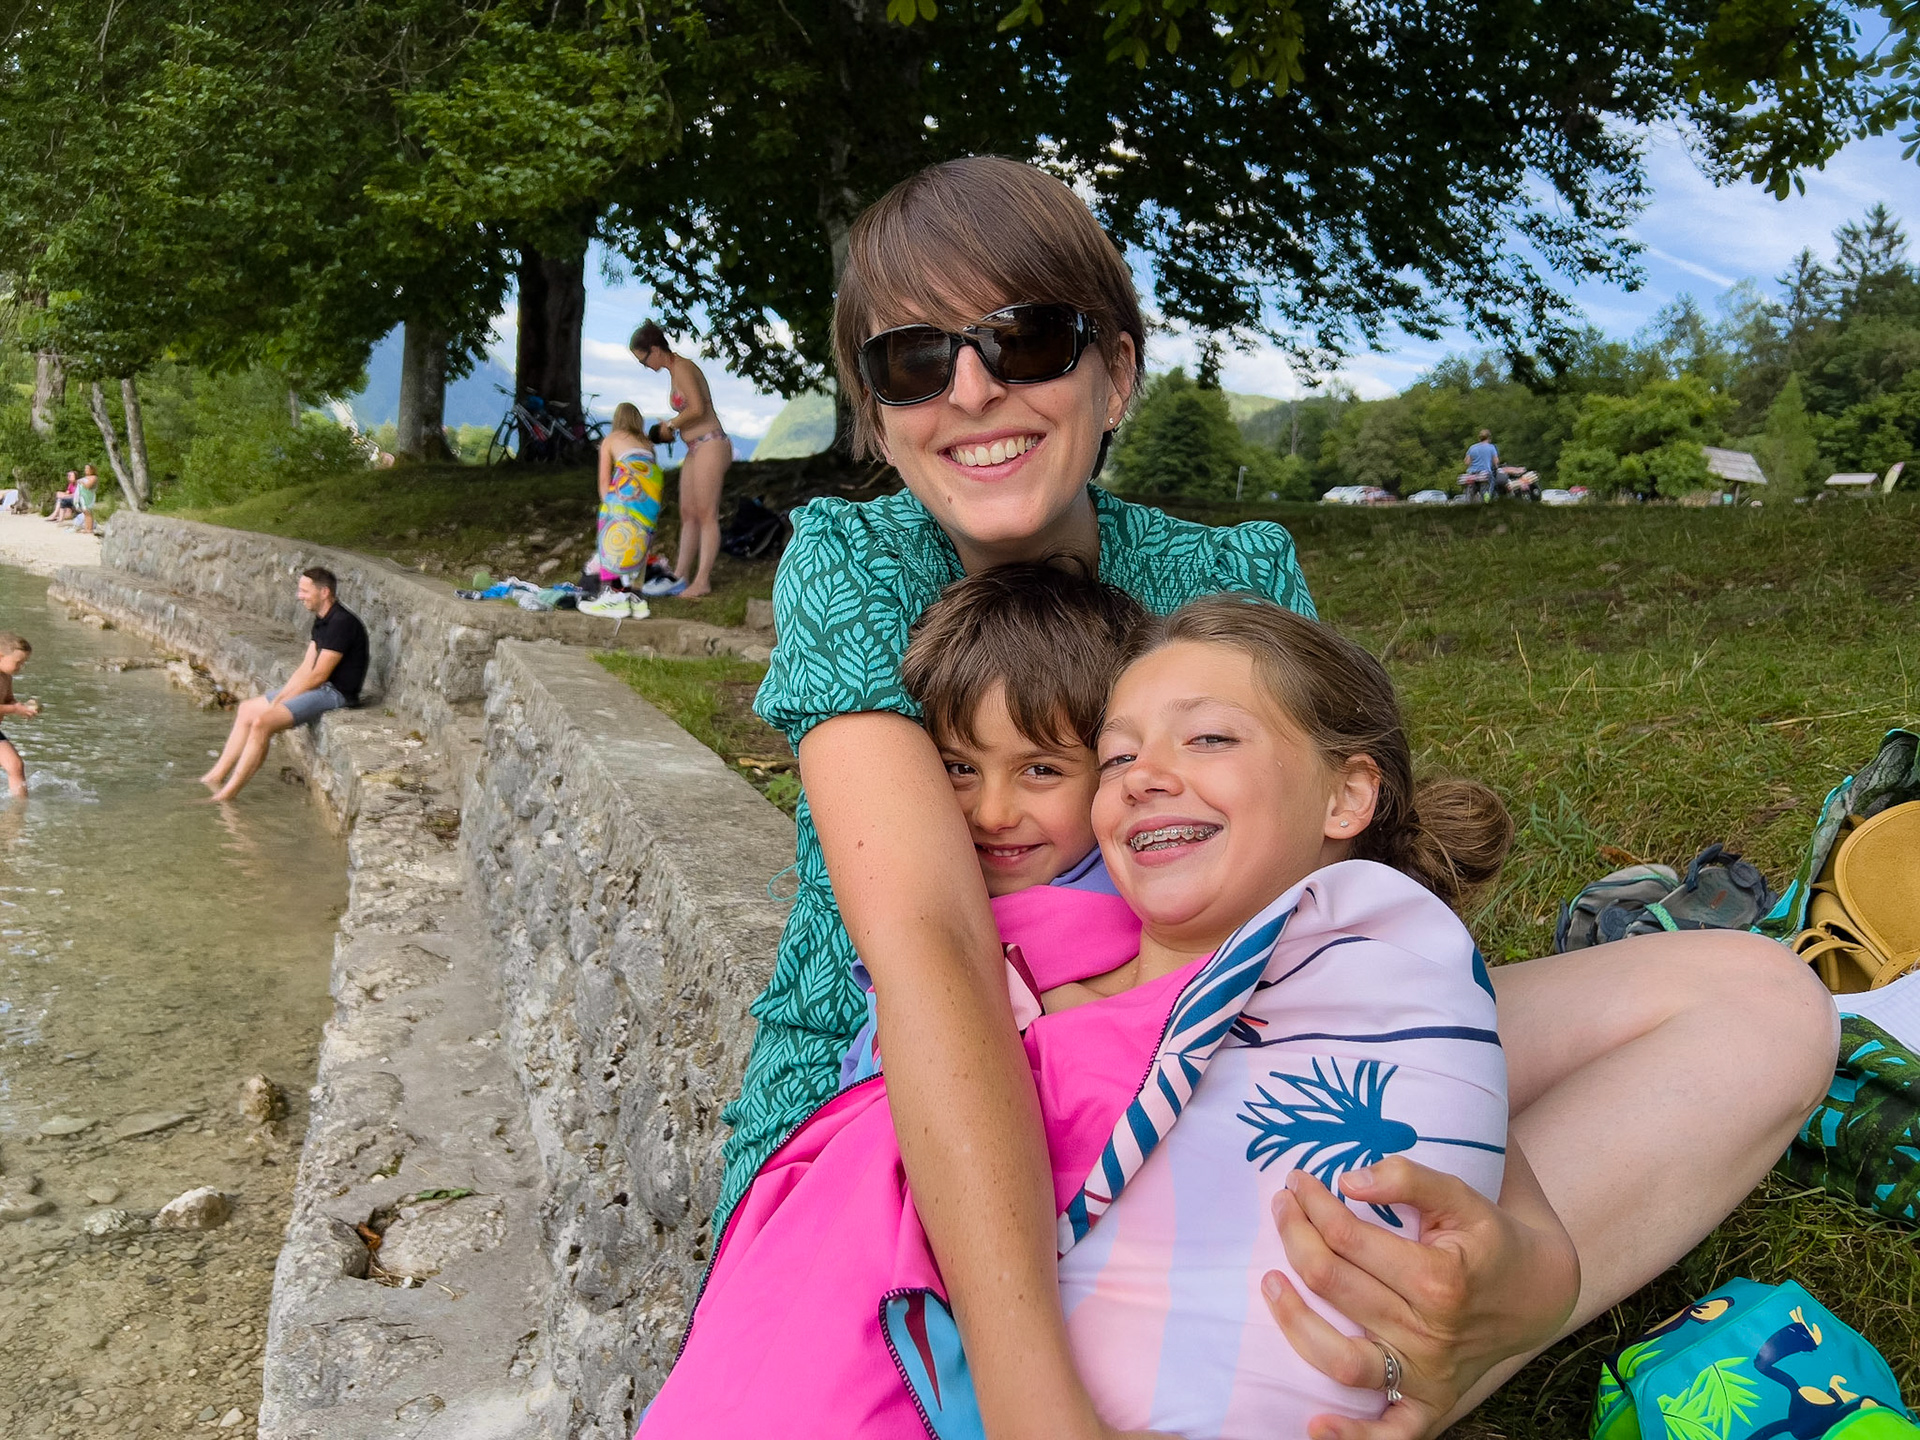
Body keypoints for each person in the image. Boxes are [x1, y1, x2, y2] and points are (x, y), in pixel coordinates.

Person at [724, 155, 1835, 1440]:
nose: (973, 390)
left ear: (1116, 372)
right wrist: (1037, 1411)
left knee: (1759, 1002)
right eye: (915, 360)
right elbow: (935, 948)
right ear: (874, 411)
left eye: (1026, 338)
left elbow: (1351, 957)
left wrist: (1532, 1266)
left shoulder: (1231, 571)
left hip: (1230, 1055)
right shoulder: (852, 562)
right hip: (939, 1114)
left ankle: (1408, 1363)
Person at [645, 568, 1512, 1440]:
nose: (1141, 778)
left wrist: (1537, 1290)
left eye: (1207, 738)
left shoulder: (1378, 979)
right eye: (1121, 757)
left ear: (1348, 795)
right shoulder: (1042, 954)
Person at [199, 567, 369, 801]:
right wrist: (281, 697)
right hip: (320, 686)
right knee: (247, 709)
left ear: (324, 592)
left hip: (337, 693)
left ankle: (228, 794)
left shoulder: (342, 623)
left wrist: (280, 701)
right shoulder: (322, 620)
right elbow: (305, 669)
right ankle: (215, 777)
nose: (299, 596)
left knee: (262, 723)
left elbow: (319, 675)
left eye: (304, 591)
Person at [630, 321, 730, 598]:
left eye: (643, 359)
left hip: (711, 443)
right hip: (695, 446)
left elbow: (697, 408)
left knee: (707, 514)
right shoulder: (673, 371)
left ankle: (702, 580)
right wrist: (673, 429)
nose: (645, 366)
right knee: (688, 513)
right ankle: (681, 574)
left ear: (654, 349)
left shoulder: (683, 367)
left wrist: (671, 425)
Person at [579, 402, 664, 620]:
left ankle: (613, 595)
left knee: (612, 537)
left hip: (625, 496)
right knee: (640, 542)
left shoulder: (611, 439)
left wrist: (607, 508)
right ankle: (636, 598)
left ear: (617, 419)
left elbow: (604, 482)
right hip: (649, 500)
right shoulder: (647, 444)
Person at [0, 633, 40, 798]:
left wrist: (22, 707)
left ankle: (19, 809)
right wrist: (16, 709)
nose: (20, 667)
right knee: (15, 765)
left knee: (15, 765)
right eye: (18, 663)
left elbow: (8, 699)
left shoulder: (6, 677)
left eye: (23, 663)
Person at [1463, 431, 1499, 504]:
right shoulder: (1491, 447)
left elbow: (1466, 462)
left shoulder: (1472, 447)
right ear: (1489, 438)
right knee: (1487, 490)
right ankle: (1487, 502)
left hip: (1472, 474)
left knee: (1469, 495)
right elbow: (1496, 462)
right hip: (1485, 474)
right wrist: (1496, 467)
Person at [73, 463, 100, 534]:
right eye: (85, 469)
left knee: (88, 512)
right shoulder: (85, 477)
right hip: (83, 496)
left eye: (88, 469)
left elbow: (88, 486)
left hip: (89, 496)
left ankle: (89, 529)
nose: (86, 470)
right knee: (85, 512)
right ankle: (86, 528)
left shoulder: (94, 477)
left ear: (92, 470)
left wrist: (81, 481)